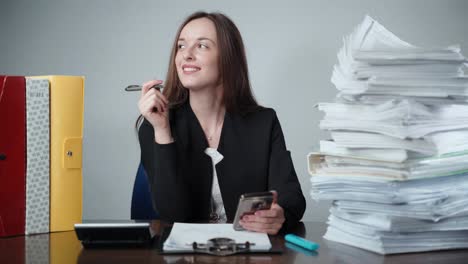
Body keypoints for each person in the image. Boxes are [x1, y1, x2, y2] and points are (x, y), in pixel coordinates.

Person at [138, 11, 305, 235]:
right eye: (181, 46)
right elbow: (173, 214)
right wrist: (162, 131)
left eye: (202, 46)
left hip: (248, 253)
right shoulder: (155, 124)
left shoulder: (264, 122)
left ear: (228, 58)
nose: (186, 55)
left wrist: (280, 214)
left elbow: (292, 197)